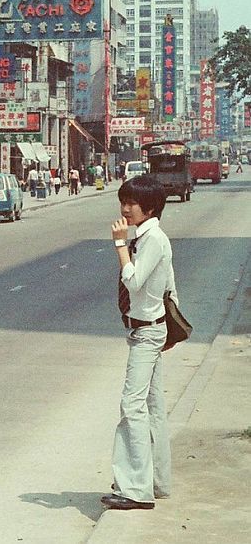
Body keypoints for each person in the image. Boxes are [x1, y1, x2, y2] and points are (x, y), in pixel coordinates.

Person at [102, 175, 176, 511]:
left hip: (147, 333)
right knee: (154, 408)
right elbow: (170, 287)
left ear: (149, 207)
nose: (125, 208)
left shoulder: (152, 240)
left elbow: (133, 281)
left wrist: (119, 245)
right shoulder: (148, 237)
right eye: (124, 201)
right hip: (148, 330)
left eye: (132, 203)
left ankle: (134, 490)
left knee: (132, 407)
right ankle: (157, 482)